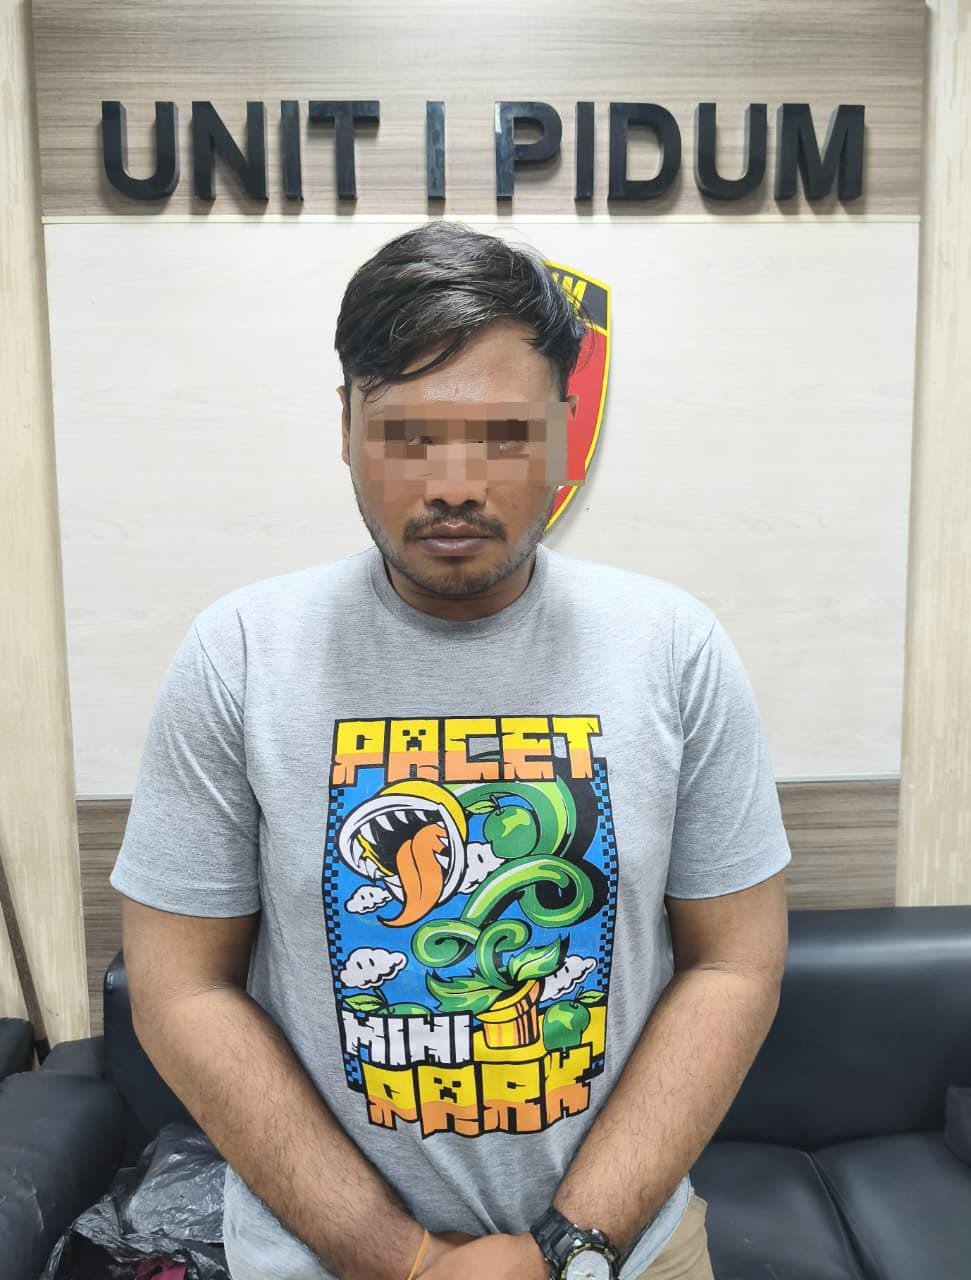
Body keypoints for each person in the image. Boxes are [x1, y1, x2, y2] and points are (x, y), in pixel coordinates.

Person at [110, 220, 792, 1280]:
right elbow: (178, 990)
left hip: (622, 1248)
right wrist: (407, 1259)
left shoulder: (671, 647)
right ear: (346, 426)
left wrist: (572, 1243)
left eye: (503, 436)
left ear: (563, 434)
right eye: (409, 435)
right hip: (321, 1255)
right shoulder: (241, 654)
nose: (456, 484)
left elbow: (734, 961)